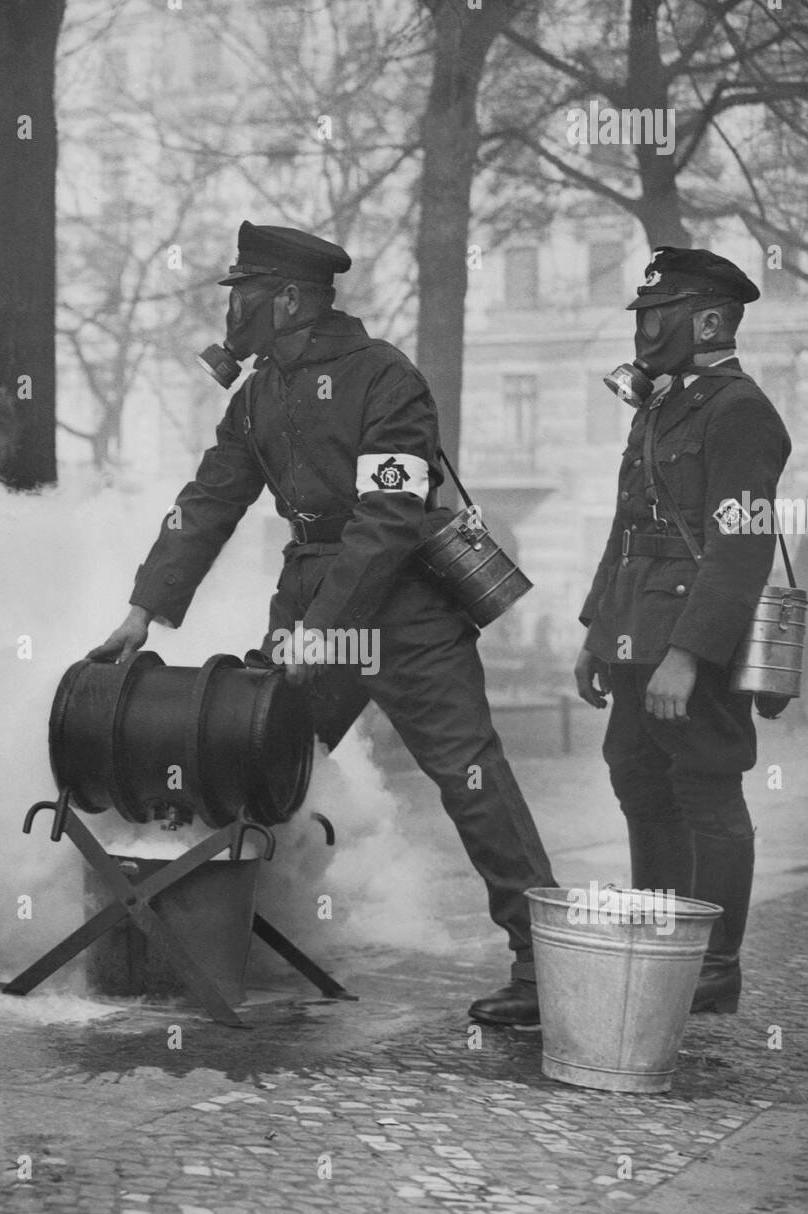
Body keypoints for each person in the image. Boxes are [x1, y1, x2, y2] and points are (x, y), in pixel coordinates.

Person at [91, 220, 555, 1026]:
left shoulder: (386, 378)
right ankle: (210, 934)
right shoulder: (257, 394)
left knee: (469, 776)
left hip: (406, 614)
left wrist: (321, 628)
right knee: (248, 759)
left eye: (243, 294)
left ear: (289, 299)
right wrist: (143, 611)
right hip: (309, 597)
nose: (231, 310)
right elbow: (208, 502)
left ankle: (545, 965)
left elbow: (389, 517)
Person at [575, 246, 792, 1015]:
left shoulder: (739, 413)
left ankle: (713, 966)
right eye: (641, 314)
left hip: (690, 642)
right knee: (637, 778)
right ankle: (662, 940)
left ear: (705, 322)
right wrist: (596, 632)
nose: (643, 328)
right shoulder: (659, 405)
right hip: (634, 630)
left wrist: (687, 656)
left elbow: (739, 549)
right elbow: (626, 529)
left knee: (705, 788)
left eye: (656, 315)